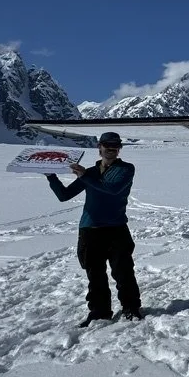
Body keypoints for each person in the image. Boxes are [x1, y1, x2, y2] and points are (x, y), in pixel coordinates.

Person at [46, 131, 144, 326]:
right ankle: (99, 312)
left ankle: (131, 308)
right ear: (99, 147)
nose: (111, 148)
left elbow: (112, 189)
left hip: (116, 228)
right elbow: (64, 195)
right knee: (95, 274)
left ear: (120, 148)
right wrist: (51, 176)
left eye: (115, 145)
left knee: (123, 272)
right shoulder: (90, 172)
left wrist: (84, 176)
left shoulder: (126, 169)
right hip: (90, 229)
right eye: (107, 145)